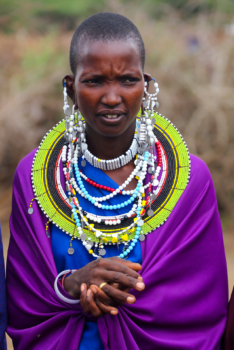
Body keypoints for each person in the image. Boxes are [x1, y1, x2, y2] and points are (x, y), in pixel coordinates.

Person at [6, 12, 228, 350]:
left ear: (146, 83)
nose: (112, 97)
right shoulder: (35, 177)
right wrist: (71, 286)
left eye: (127, 79)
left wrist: (119, 297)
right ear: (70, 87)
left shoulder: (190, 181)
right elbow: (24, 302)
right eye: (94, 81)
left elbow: (199, 307)